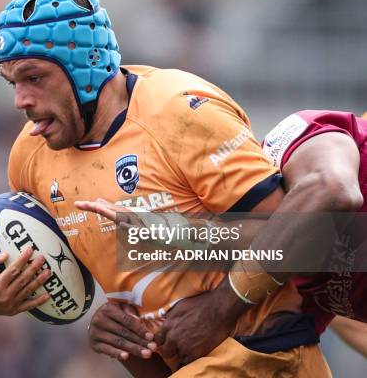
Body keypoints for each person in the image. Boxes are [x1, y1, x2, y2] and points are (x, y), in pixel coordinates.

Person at [0, 0, 331, 377]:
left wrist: (212, 301)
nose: (20, 100)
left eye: (34, 78)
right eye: (12, 83)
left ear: (83, 66)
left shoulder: (182, 113)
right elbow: (71, 274)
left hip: (264, 353)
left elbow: (299, 232)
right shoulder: (29, 157)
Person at [83, 109, 367, 366]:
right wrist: (127, 340)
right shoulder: (288, 287)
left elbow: (330, 192)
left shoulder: (293, 144)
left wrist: (217, 307)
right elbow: (192, 352)